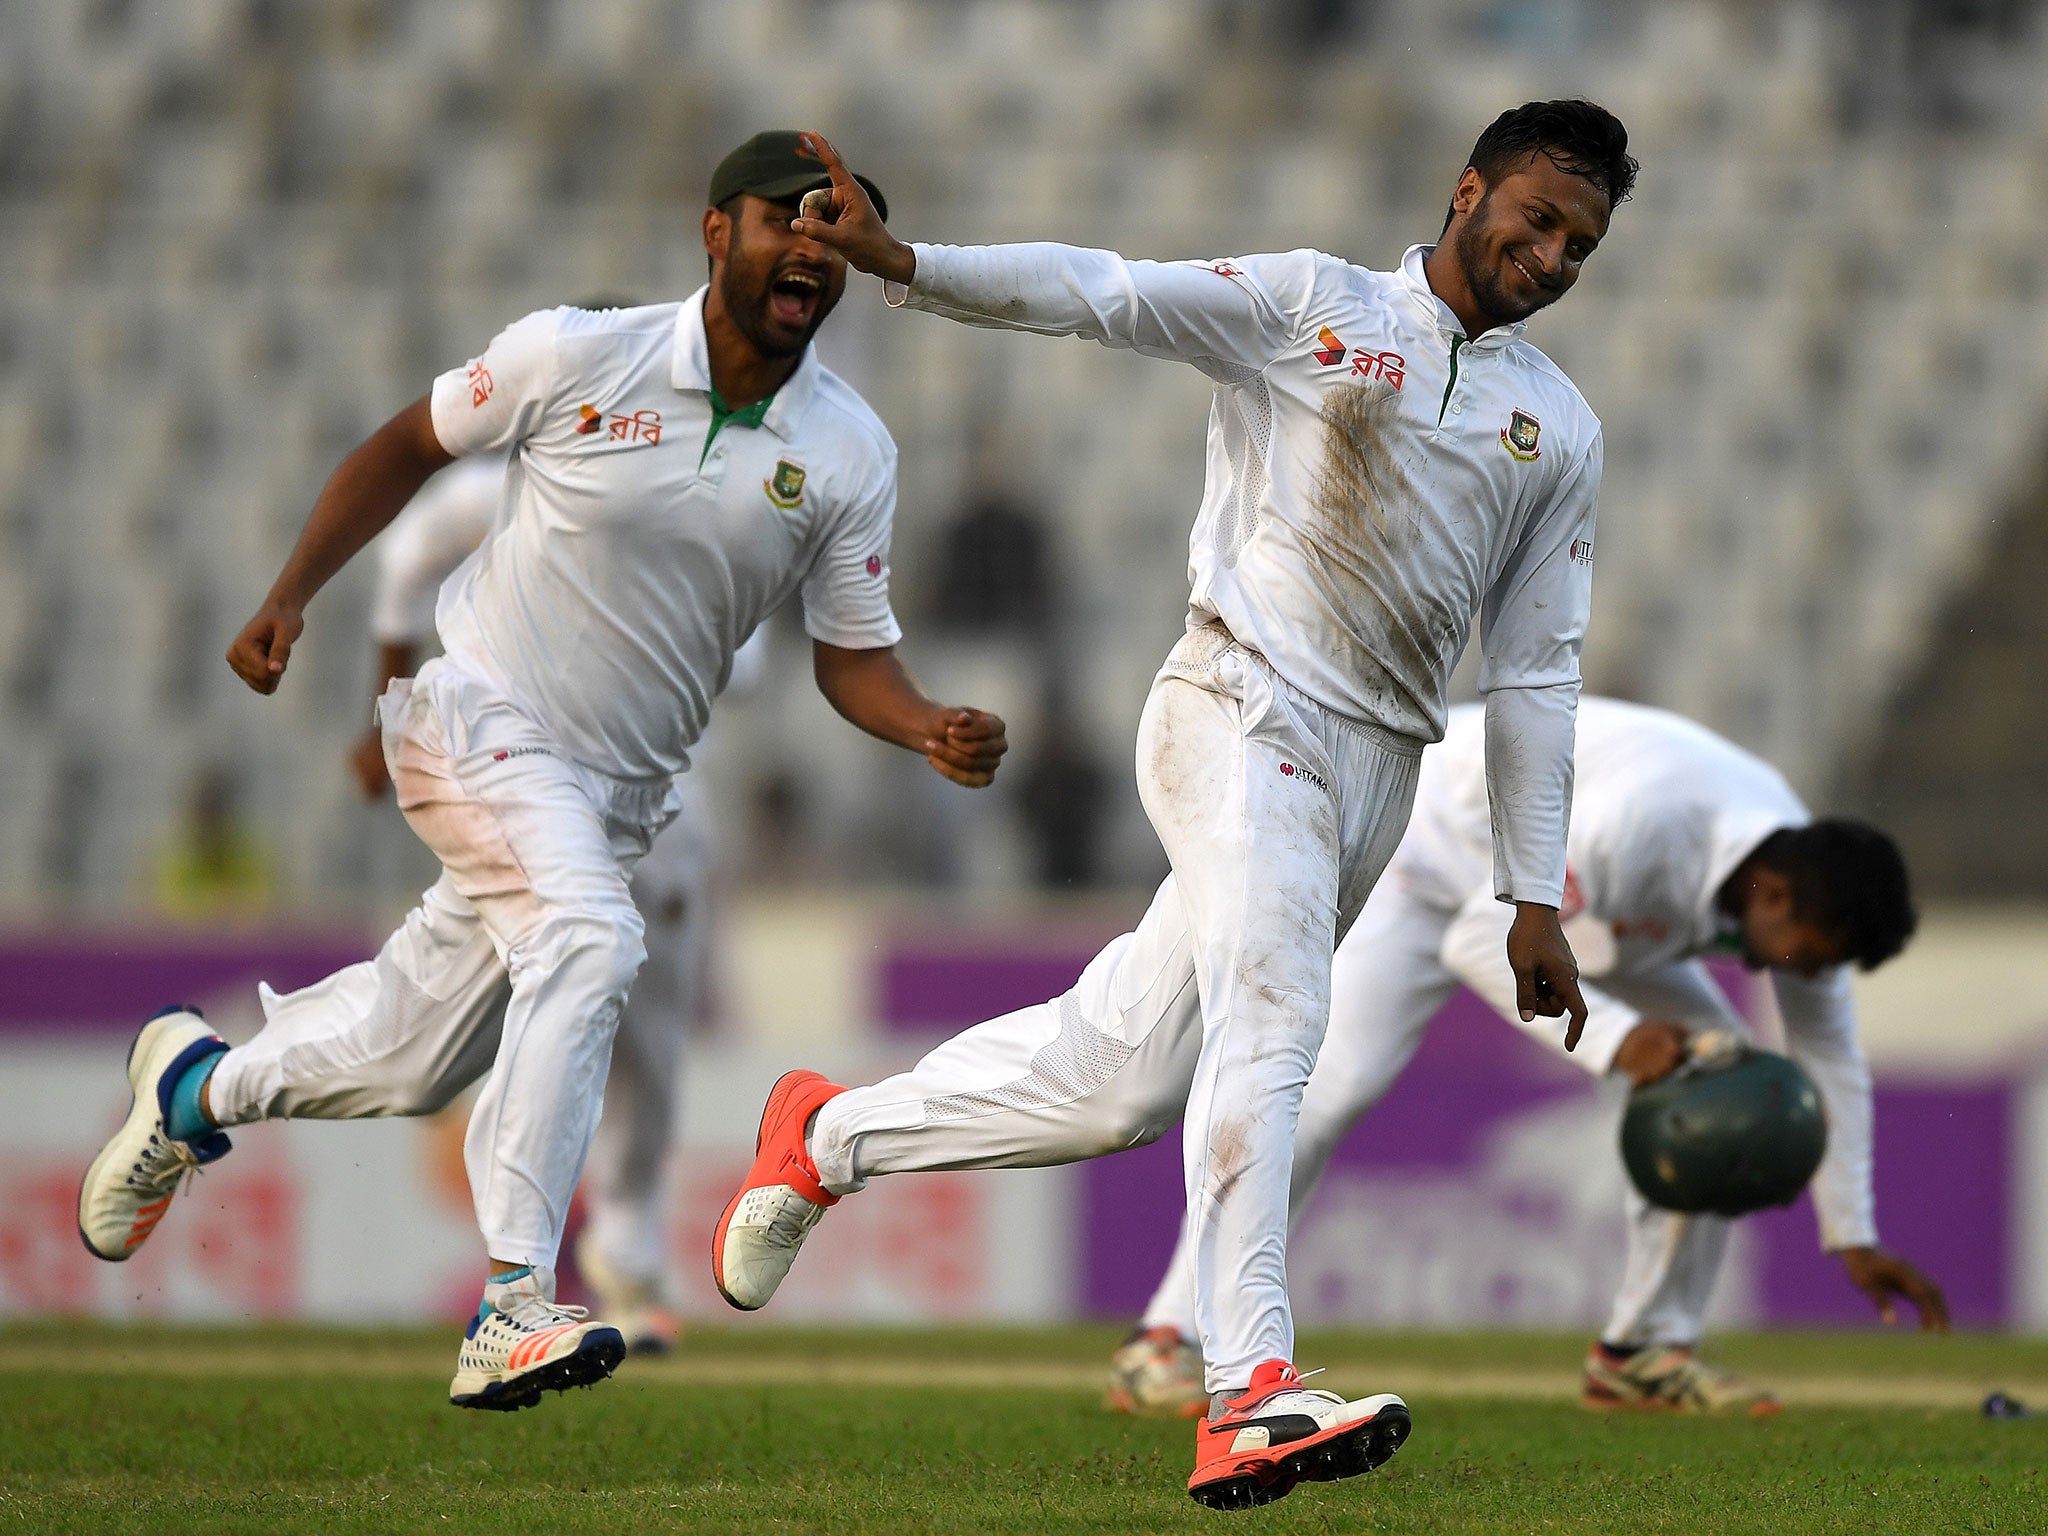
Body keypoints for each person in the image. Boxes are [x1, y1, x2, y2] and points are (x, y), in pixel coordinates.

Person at [711, 105, 1635, 1509]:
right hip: (1238, 706)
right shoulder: (1311, 306)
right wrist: (906, 264)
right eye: (1539, 218)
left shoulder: (1555, 426)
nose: (1553, 253)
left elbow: (1540, 670)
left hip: (1376, 774)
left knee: (1124, 1083)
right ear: (1467, 192)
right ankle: (1249, 1388)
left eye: (1580, 242)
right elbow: (1102, 292)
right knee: (1278, 1020)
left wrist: (1532, 890)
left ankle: (826, 1139)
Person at [76, 130, 1008, 1412]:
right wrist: (292, 594)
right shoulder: (579, 352)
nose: (813, 243)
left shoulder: (850, 452)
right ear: (714, 229)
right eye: (788, 216)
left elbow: (851, 664)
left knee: (412, 1063)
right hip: (474, 718)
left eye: (839, 226)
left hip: (615, 798)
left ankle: (190, 1085)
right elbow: (407, 444)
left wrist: (926, 727)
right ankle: (510, 1301)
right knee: (588, 942)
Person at [1110, 697, 1950, 1420]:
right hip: (1422, 853)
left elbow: (1830, 1060)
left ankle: (1644, 1356)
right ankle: (1167, 1339)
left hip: (1553, 908)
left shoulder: (1802, 886)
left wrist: (1853, 1233)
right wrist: (1622, 1040)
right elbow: (1485, 932)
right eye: (1810, 950)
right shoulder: (1648, 824)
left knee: (1723, 1092)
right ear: (1778, 894)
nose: (1804, 970)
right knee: (1327, 1095)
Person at [348, 446, 770, 1352]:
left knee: (648, 1043)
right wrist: (386, 698)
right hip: (525, 788)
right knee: (498, 1013)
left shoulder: (709, 513)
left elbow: (752, 660)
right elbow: (408, 553)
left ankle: (620, 1256)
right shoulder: (496, 492)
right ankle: (522, 1268)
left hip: (660, 799)